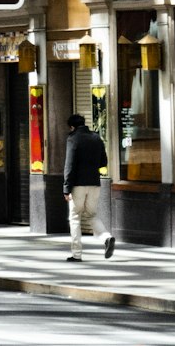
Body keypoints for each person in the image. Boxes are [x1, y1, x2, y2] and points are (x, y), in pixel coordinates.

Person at [62, 112, 115, 261]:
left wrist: (66, 188)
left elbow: (69, 165)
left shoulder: (73, 139)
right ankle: (106, 237)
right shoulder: (96, 137)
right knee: (91, 214)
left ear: (72, 127)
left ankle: (76, 254)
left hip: (77, 185)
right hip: (94, 183)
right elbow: (103, 162)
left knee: (74, 218)